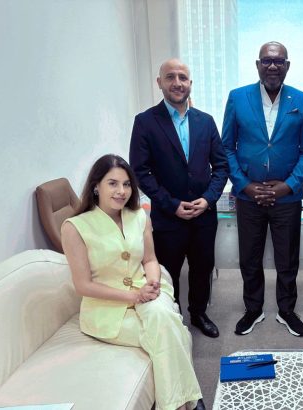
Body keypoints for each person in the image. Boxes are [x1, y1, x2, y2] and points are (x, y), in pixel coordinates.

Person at [61, 154, 204, 410]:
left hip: (145, 292)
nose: (122, 191)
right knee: (172, 331)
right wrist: (134, 296)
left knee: (164, 320)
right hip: (107, 309)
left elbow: (150, 259)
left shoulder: (139, 216)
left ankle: (180, 404)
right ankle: (187, 402)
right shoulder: (74, 227)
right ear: (96, 186)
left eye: (127, 184)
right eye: (113, 183)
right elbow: (83, 286)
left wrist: (153, 283)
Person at [221, 41, 303, 337]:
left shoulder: (302, 100)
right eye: (266, 61)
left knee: (287, 258)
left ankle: (286, 310)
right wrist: (245, 186)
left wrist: (288, 186)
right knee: (249, 257)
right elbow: (227, 147)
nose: (272, 66)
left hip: (286, 197)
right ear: (257, 65)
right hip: (249, 196)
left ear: (287, 65)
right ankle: (253, 309)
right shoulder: (238, 98)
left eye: (278, 61)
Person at [130, 59, 229, 338]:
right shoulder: (145, 122)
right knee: (168, 272)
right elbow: (140, 171)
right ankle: (171, 316)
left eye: (183, 77)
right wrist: (171, 204)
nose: (177, 83)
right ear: (159, 82)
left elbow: (221, 166)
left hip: (203, 215)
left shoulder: (205, 122)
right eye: (170, 77)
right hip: (168, 216)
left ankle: (199, 313)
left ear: (190, 83)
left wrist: (208, 199)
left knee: (202, 268)